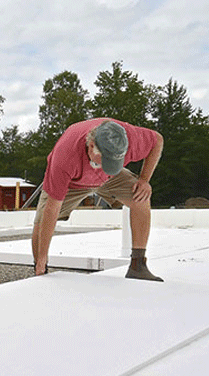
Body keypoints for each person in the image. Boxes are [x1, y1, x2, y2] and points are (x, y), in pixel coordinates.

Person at [31, 118, 163, 280]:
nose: (107, 164)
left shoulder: (129, 137)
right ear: (91, 146)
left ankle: (138, 266)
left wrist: (144, 180)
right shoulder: (65, 156)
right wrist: (42, 257)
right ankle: (40, 270)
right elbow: (52, 209)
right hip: (73, 182)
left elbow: (157, 140)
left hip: (109, 178)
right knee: (42, 220)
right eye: (105, 160)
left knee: (141, 197)